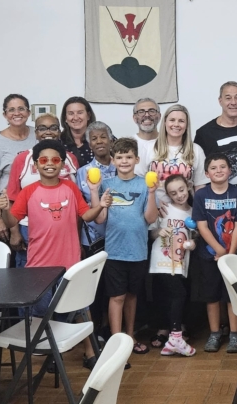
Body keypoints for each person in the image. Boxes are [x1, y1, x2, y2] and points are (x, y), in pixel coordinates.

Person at [0, 139, 104, 367]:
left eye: (55, 160)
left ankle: (90, 352)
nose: (49, 164)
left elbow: (86, 215)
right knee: (41, 311)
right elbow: (12, 221)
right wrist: (5, 209)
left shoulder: (70, 188)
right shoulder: (28, 191)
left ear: (62, 164)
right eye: (44, 160)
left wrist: (101, 204)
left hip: (71, 264)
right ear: (35, 164)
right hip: (39, 266)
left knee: (80, 309)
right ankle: (49, 353)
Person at [92, 137, 158, 357]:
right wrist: (94, 192)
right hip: (114, 252)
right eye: (120, 157)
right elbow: (100, 218)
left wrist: (151, 193)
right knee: (117, 297)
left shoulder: (144, 184)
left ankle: (130, 336)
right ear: (113, 160)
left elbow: (150, 218)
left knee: (131, 296)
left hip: (137, 251)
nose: (124, 161)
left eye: (129, 157)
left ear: (136, 159)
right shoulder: (107, 184)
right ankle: (116, 340)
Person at [5, 113, 80, 266]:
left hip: (65, 230)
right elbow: (12, 197)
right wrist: (14, 232)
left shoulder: (70, 158)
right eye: (42, 128)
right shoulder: (22, 159)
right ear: (36, 133)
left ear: (59, 131)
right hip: (28, 228)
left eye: (53, 128)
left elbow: (77, 201)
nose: (48, 132)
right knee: (33, 274)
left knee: (65, 270)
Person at [193, 153, 237, 353]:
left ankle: (235, 334)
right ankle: (215, 333)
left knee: (232, 295)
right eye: (214, 168)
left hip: (233, 256)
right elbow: (202, 226)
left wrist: (229, 255)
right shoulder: (201, 195)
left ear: (230, 170)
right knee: (212, 296)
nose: (218, 171)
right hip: (209, 255)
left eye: (222, 166)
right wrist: (219, 250)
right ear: (206, 173)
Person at [0, 94, 36, 250]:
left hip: (34, 208)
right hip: (5, 208)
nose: (16, 113)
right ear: (5, 114)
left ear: (28, 112)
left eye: (21, 109)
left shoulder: (38, 135)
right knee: (8, 260)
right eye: (11, 110)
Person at [149, 174, 196, 354]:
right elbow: (152, 233)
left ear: (188, 186)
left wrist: (193, 243)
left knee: (176, 295)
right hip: (161, 261)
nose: (179, 195)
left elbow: (195, 236)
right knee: (176, 294)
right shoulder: (165, 209)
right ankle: (175, 336)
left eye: (181, 190)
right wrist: (159, 231)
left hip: (180, 262)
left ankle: (174, 334)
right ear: (168, 195)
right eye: (173, 193)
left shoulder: (193, 212)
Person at [139, 104, 209, 204]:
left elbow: (200, 186)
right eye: (172, 120)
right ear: (165, 122)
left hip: (186, 210)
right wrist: (155, 203)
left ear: (186, 125)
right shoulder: (148, 147)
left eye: (181, 121)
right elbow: (138, 181)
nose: (176, 124)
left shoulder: (196, 150)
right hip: (154, 209)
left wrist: (198, 209)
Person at [194, 81, 237, 186]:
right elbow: (199, 174)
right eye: (228, 98)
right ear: (220, 101)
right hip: (221, 194)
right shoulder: (204, 133)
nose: (233, 102)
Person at [77, 121, 116, 249]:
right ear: (90, 145)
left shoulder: (122, 168)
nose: (99, 141)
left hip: (121, 237)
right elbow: (78, 210)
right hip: (92, 239)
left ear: (111, 141)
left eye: (103, 137)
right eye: (94, 139)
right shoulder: (82, 173)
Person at [60, 96, 97, 166]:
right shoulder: (59, 142)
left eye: (80, 113)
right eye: (71, 113)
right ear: (65, 118)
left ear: (88, 115)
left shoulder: (103, 138)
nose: (76, 117)